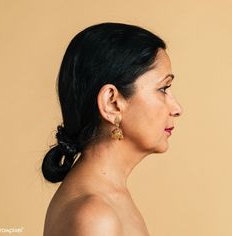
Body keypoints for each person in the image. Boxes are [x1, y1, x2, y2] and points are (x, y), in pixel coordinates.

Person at [42, 22, 182, 236]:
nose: (177, 109)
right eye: (163, 89)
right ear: (112, 103)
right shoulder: (96, 217)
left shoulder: (108, 197)